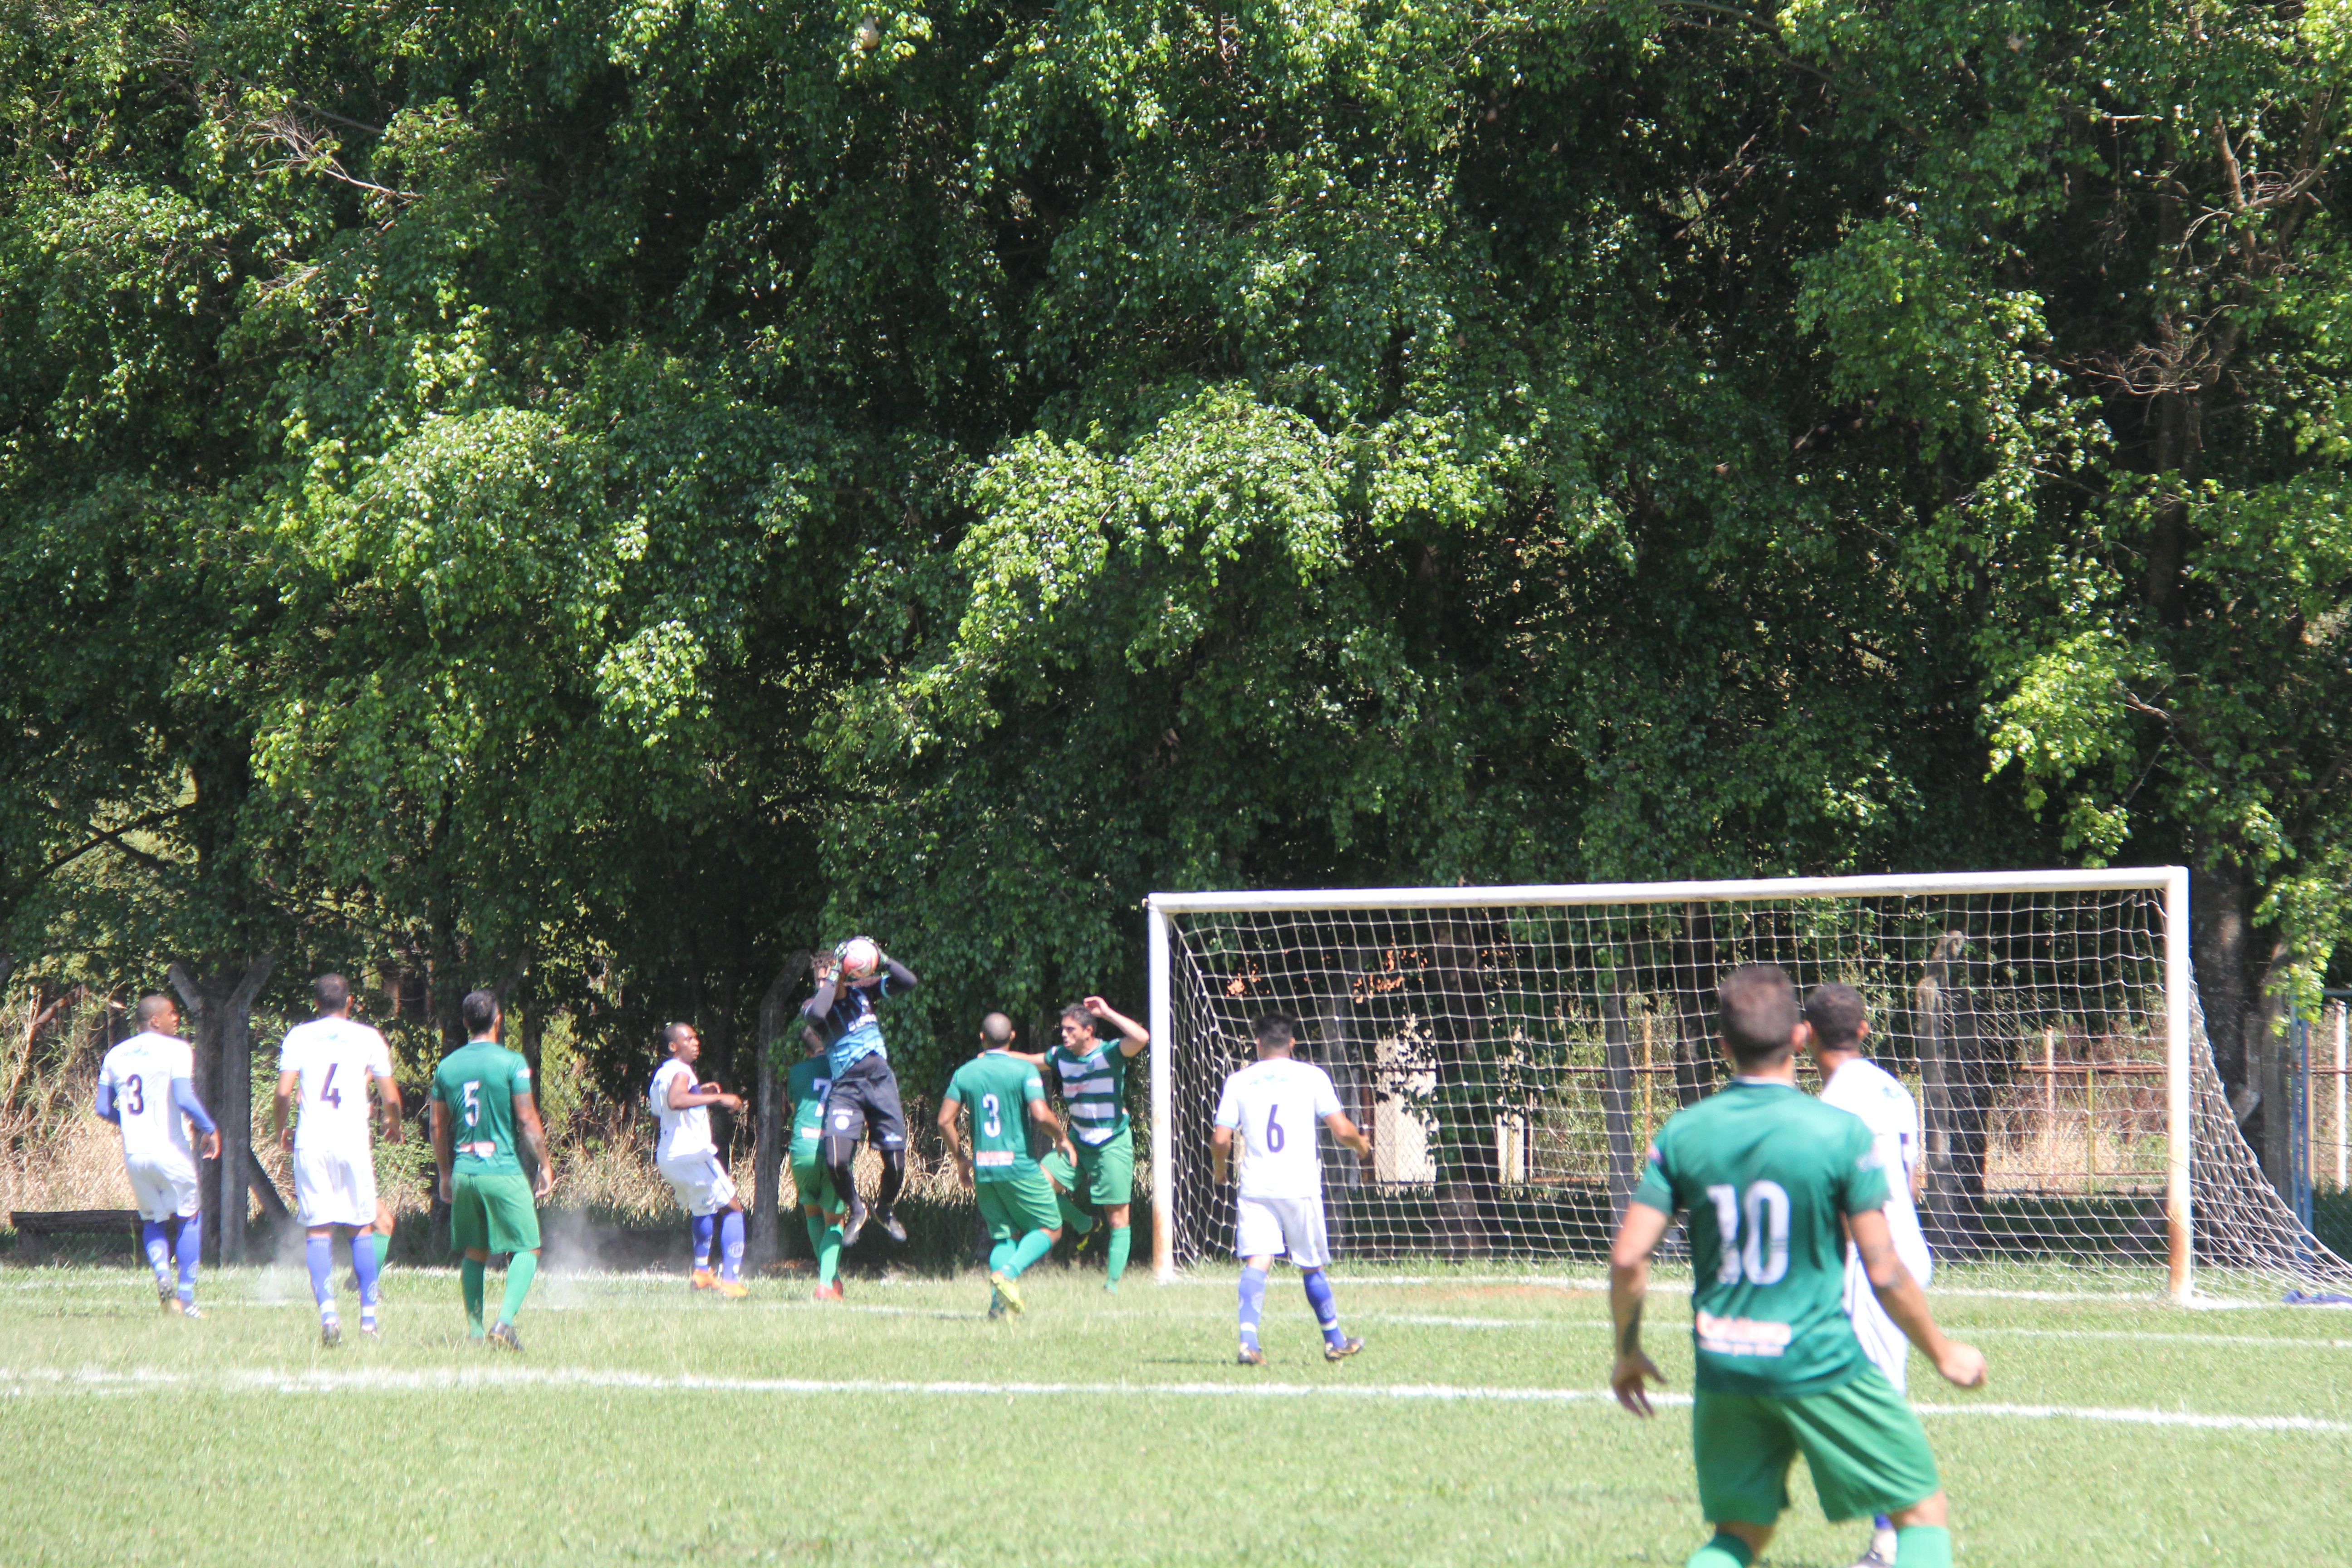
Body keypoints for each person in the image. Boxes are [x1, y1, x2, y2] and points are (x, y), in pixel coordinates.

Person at [1607, 965, 1987, 1568]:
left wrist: (1628, 1350)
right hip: (1816, 1359)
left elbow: (1629, 1255)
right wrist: (1943, 1352)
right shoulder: (1838, 1132)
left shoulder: (1683, 1132)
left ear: (1723, 1044)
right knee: (1923, 1513)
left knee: (1739, 1536)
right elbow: (1884, 1269)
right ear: (1798, 1038)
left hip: (1725, 1363)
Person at [1807, 981, 1933, 1568]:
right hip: (1909, 1249)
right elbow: (1911, 1181)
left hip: (1868, 1259)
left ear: (1806, 1035)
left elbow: (1836, 1198)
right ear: (1862, 1029)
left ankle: (1894, 1539)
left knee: (1873, 1398)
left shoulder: (1828, 1108)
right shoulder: (1896, 1091)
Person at [1210, 1014, 1372, 1365]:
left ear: (1258, 1044)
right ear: (1293, 1044)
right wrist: (1361, 1147)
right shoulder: (1311, 1076)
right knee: (1311, 1265)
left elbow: (1221, 1138)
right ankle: (1333, 1341)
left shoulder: (1239, 1081)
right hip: (1300, 1186)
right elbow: (1341, 1129)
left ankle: (1248, 1344)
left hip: (1256, 1186)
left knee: (1258, 1260)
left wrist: (1220, 1170)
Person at [271, 972, 402, 1344]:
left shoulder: (299, 1036)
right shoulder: (367, 1037)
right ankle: (369, 1322)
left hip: (312, 1140)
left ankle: (329, 1316)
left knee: (319, 1230)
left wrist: (280, 1128)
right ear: (350, 1001)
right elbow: (390, 1098)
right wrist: (392, 1124)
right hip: (352, 1141)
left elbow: (283, 1093)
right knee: (361, 1226)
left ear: (316, 1003)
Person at [428, 990, 552, 1350]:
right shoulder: (512, 1063)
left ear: (466, 1023)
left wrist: (445, 1173)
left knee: (475, 1251)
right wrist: (545, 1163)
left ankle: (476, 1333)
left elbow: (437, 1126)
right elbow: (527, 1120)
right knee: (528, 1249)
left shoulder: (447, 1066)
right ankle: (504, 1323)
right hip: (502, 1169)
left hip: (465, 1170)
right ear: (499, 1020)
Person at [938, 1012, 1077, 1317]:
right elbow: (1040, 1115)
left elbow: (944, 1121)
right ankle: (1008, 1273)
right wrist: (1061, 1137)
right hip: (1019, 1167)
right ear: (1013, 1037)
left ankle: (997, 1308)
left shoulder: (966, 1072)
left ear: (982, 1039)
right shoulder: (1023, 1069)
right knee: (1051, 1227)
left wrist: (961, 1159)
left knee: (1004, 1236)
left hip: (985, 1169)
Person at [94, 995, 218, 1317]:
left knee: (153, 1219)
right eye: (172, 1014)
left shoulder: (116, 1054)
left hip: (136, 1152)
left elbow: (103, 1108)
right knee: (190, 1216)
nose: (177, 1019)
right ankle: (187, 1299)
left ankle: (162, 1272)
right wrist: (209, 1128)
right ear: (155, 1021)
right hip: (170, 1149)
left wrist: (133, 1124)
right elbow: (184, 1097)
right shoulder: (176, 1049)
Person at [801, 937, 918, 1246]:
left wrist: (882, 959)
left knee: (895, 1162)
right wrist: (834, 975)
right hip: (846, 1089)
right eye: (818, 980)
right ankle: (857, 1209)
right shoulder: (813, 1007)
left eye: (827, 977)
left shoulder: (861, 991)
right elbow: (817, 1014)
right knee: (836, 1159)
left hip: (880, 1081)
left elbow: (909, 982)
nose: (822, 984)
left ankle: (885, 1208)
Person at [1038, 996, 1148, 1292]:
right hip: (1076, 1141)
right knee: (1038, 1186)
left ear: (1089, 1031)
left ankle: (1111, 1286)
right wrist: (996, 1056)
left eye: (1071, 1030)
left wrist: (1108, 1012)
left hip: (1112, 1142)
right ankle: (1083, 1223)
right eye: (1063, 1029)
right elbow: (1030, 1060)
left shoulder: (1110, 1053)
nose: (1064, 1034)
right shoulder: (1061, 1056)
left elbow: (1141, 1038)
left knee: (1117, 1217)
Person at [647, 1023, 748, 1298]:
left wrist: (698, 1092)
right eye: (688, 1039)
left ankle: (702, 1273)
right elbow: (677, 1101)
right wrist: (718, 1097)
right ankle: (731, 1281)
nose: (695, 1042)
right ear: (673, 1047)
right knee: (733, 1208)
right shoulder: (681, 1071)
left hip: (668, 1157)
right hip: (691, 1153)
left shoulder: (662, 1075)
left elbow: (660, 1114)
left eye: (696, 1038)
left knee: (703, 1209)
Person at [786, 1023, 851, 1301]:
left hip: (802, 1149)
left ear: (805, 1048)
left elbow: (793, 1107)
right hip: (833, 1149)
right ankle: (825, 1283)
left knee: (812, 1213)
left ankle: (831, 1278)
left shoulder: (796, 1072)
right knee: (835, 1221)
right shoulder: (845, 1069)